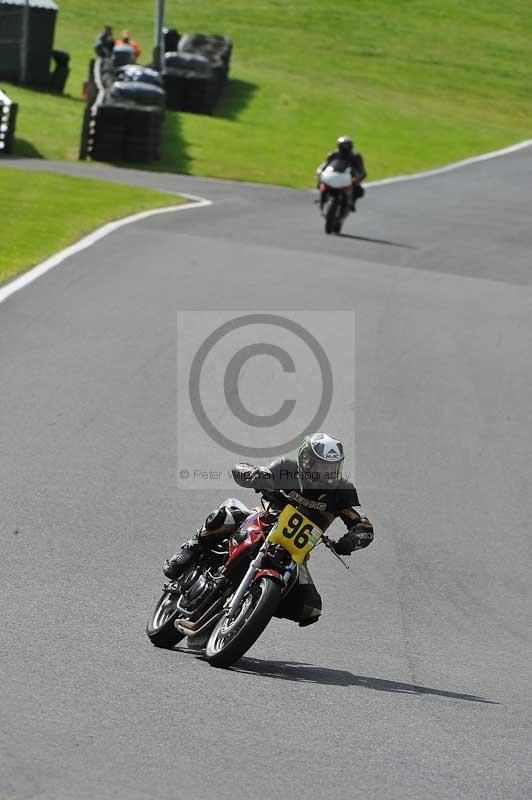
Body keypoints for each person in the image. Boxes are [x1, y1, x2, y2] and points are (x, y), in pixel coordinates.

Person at [164, 433, 374, 627]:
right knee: (227, 515)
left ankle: (250, 605)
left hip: (295, 551)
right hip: (263, 521)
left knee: (309, 608)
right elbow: (240, 468)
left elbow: (363, 526)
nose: (327, 473)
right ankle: (190, 548)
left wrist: (350, 541)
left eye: (332, 467)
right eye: (321, 466)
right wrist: (255, 475)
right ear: (306, 460)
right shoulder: (286, 468)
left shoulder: (343, 491)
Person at [317, 135, 367, 211]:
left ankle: (351, 203)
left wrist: (357, 179)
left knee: (359, 191)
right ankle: (322, 199)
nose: (344, 148)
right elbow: (325, 165)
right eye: (342, 146)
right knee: (321, 181)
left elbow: (362, 171)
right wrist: (320, 171)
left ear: (350, 146)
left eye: (346, 146)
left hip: (348, 178)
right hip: (333, 175)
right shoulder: (333, 154)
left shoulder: (355, 156)